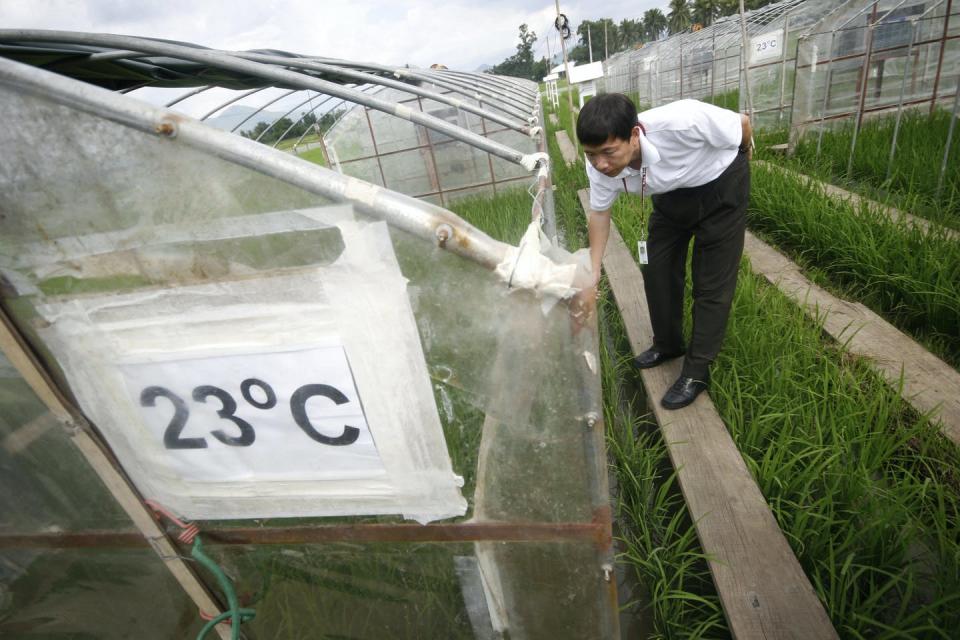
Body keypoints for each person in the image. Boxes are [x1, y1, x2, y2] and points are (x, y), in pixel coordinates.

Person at [575, 94, 752, 410]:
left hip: (720, 186)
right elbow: (600, 214)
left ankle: (696, 372)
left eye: (608, 152)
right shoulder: (599, 169)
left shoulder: (683, 121)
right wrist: (594, 267)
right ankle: (668, 344)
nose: (600, 163)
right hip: (670, 197)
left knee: (710, 284)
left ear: (633, 135)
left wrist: (744, 154)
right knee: (656, 268)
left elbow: (742, 124)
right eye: (590, 155)